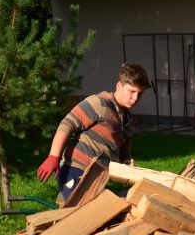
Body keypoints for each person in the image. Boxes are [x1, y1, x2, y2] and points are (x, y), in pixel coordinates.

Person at [36, 63, 151, 201]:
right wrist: (53, 157)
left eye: (140, 93)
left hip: (99, 175)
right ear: (119, 86)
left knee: (116, 205)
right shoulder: (99, 103)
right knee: (87, 209)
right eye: (131, 91)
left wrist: (131, 172)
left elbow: (124, 154)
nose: (135, 98)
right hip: (76, 169)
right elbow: (67, 124)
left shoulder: (128, 120)